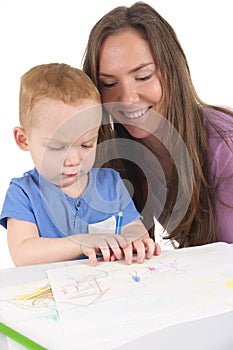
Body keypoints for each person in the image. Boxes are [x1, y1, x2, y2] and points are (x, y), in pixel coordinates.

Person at [82, 1, 233, 247]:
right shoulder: (118, 155)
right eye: (109, 84)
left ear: (173, 71)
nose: (128, 99)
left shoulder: (226, 145)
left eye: (143, 77)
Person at [0, 63, 160, 267]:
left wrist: (135, 240)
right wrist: (80, 243)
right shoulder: (23, 193)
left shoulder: (110, 183)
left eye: (86, 144)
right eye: (57, 147)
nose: (74, 160)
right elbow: (23, 253)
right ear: (24, 140)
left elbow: (134, 227)